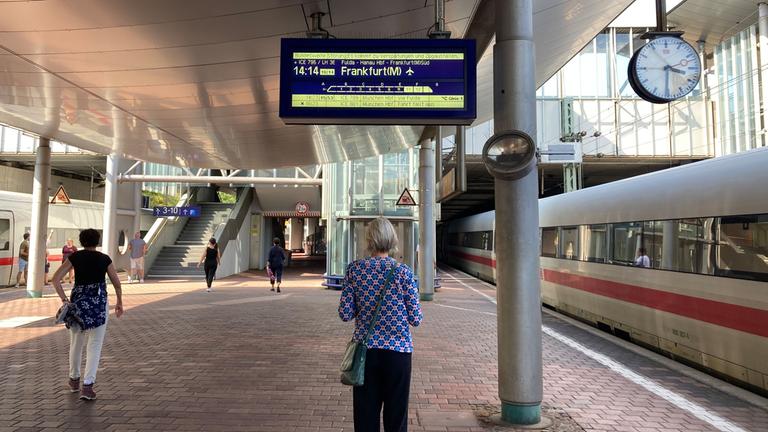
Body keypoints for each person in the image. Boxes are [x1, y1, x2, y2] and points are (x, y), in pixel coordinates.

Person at [338, 217, 423, 432]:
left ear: (369, 240)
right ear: (392, 240)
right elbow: (416, 319)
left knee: (365, 417)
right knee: (396, 416)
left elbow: (345, 314)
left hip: (366, 355)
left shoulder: (355, 270)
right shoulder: (404, 273)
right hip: (398, 353)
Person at [51, 228, 124, 401]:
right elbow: (117, 283)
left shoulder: (75, 257)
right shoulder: (104, 259)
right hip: (98, 305)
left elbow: (55, 279)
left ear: (82, 241)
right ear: (97, 241)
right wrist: (119, 302)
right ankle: (88, 386)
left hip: (78, 305)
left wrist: (64, 300)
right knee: (95, 345)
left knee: (76, 343)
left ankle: (74, 380)